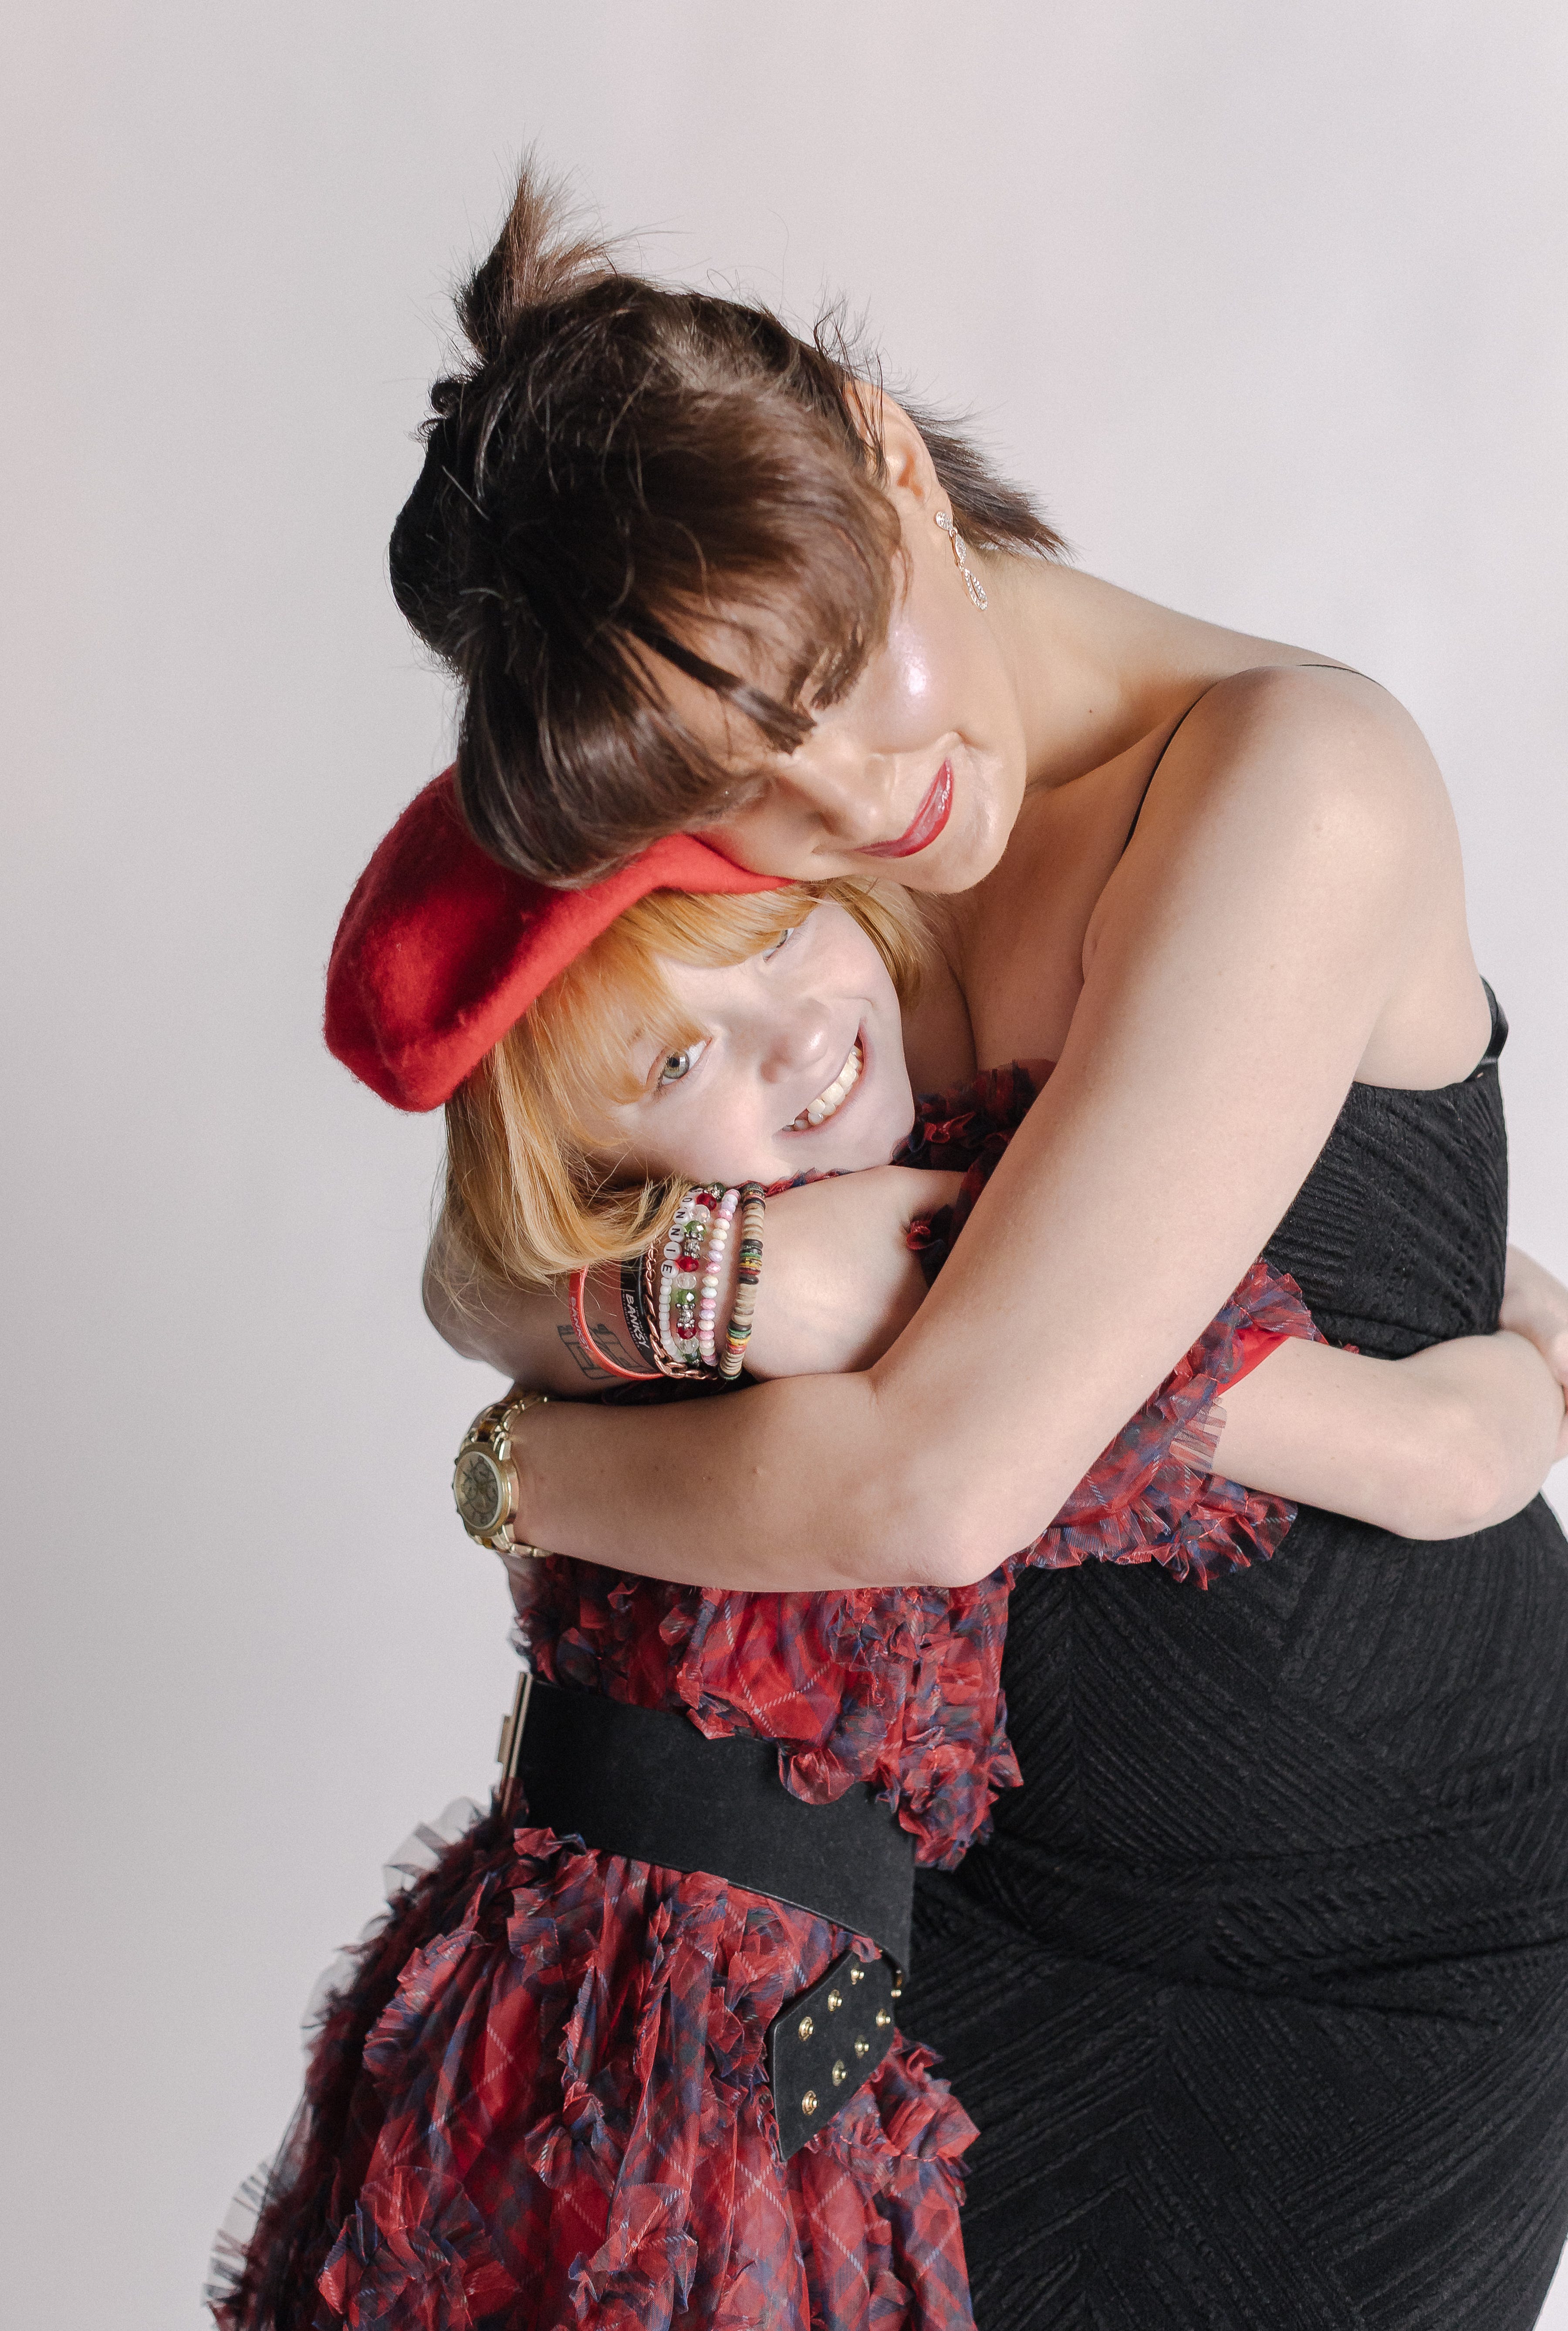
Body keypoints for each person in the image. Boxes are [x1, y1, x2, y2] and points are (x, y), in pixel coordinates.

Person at [392, 166, 1568, 2327]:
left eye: (848, 677)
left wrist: (525, 1468)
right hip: (959, 1916)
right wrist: (702, 1297)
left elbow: (939, 1485)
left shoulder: (1295, 784)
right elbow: (487, 1252)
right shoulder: (752, 844)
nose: (861, 797)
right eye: (752, 779)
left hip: (1365, 1979)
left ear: (891, 456)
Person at [212, 777, 1560, 2331]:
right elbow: (1426, 1458)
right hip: (663, 2097)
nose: (792, 1039)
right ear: (593, 1171)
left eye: (777, 940)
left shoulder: (787, 1250)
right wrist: (1525, 1375)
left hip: (678, 2040)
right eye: (674, 1060)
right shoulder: (888, 1283)